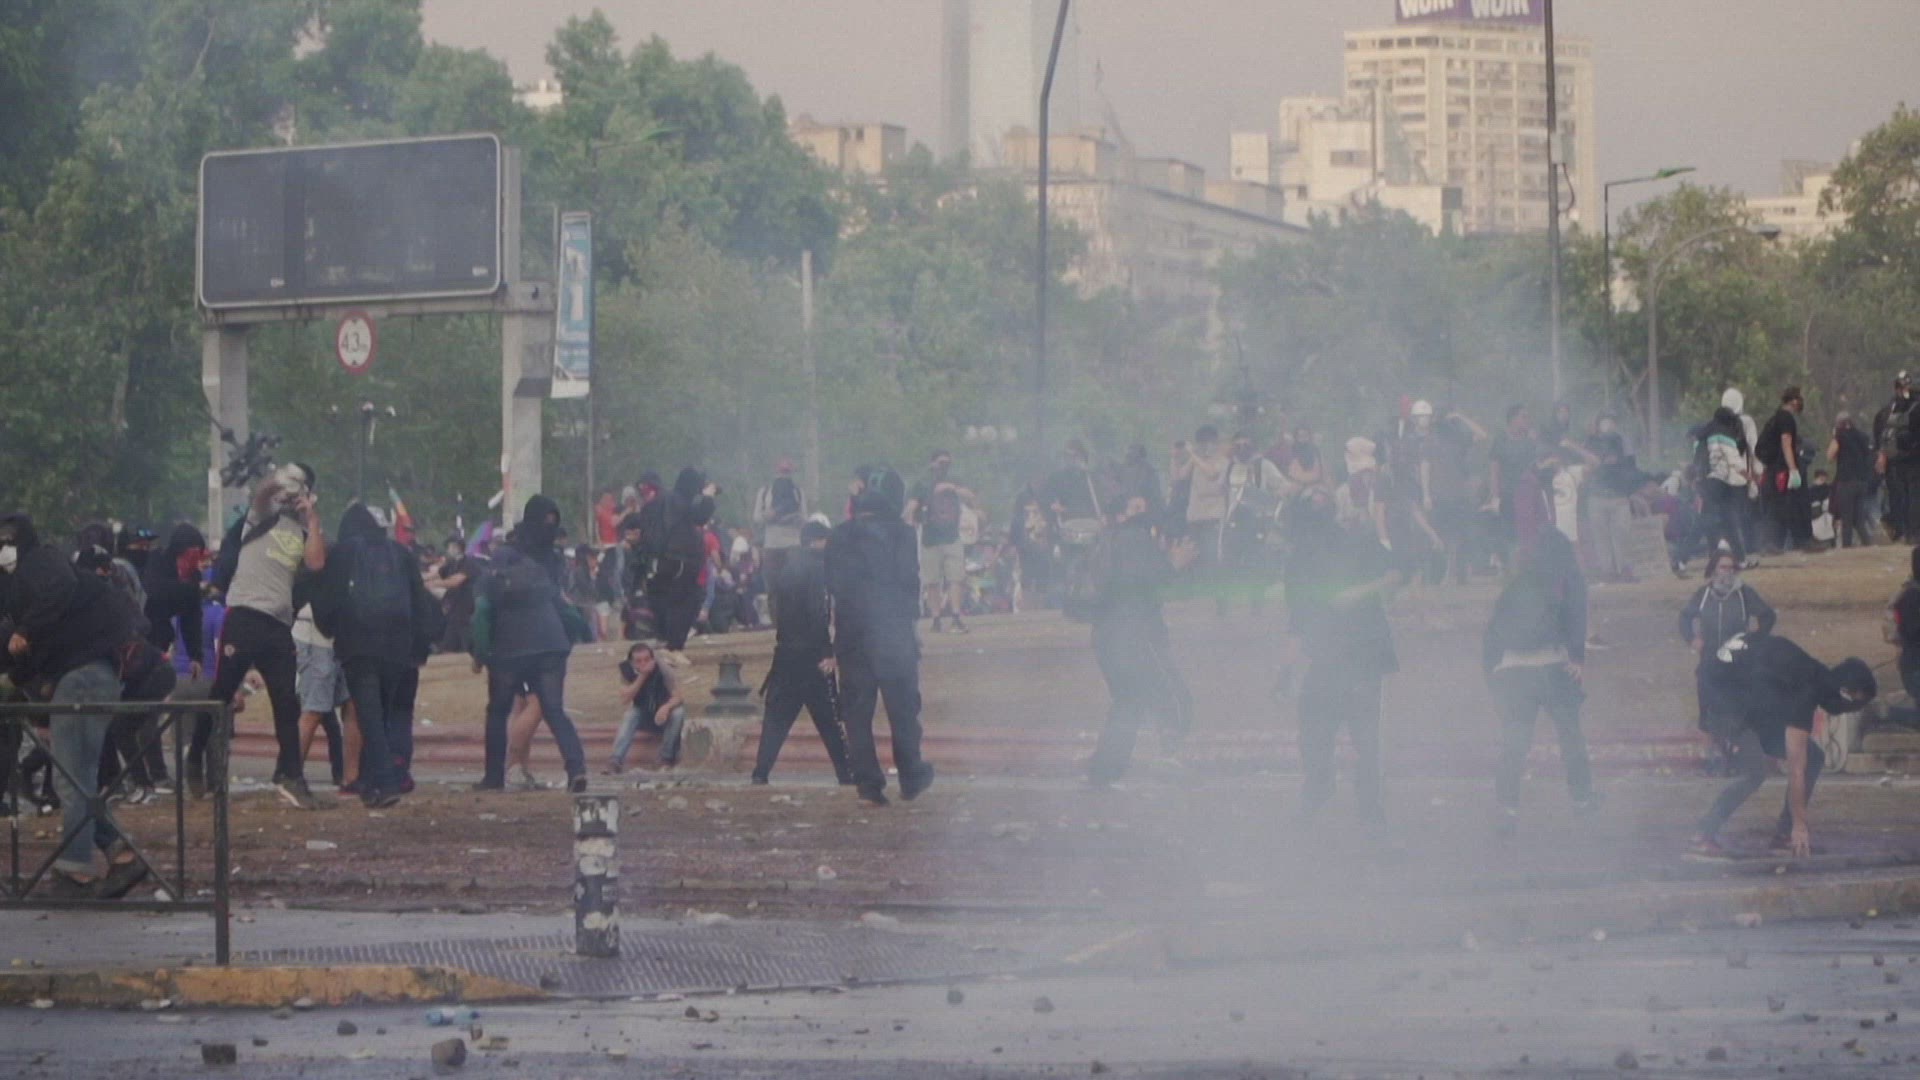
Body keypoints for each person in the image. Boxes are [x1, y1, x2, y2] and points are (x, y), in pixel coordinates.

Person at [0, 513, 149, 898]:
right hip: (86, 676)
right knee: (77, 778)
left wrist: (24, 633)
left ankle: (75, 871)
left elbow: (56, 594)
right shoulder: (19, 585)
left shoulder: (41, 562)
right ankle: (120, 856)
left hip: (83, 676)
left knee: (71, 780)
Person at [207, 464, 330, 810]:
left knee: (286, 701)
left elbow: (317, 564)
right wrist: (282, 479)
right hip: (243, 615)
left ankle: (291, 776)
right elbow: (262, 493)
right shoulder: (262, 516)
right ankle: (203, 759)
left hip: (277, 624)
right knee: (221, 695)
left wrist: (312, 519)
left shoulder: (303, 530)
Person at [1690, 633, 1875, 858]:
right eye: (1855, 705)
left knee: (1813, 757)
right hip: (1726, 700)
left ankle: (1784, 836)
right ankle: (1703, 834)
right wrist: (1800, 825)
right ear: (1845, 693)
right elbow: (1796, 769)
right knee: (1754, 772)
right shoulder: (1807, 689)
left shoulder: (1808, 672)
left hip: (1731, 691)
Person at [1284, 487, 1401, 821]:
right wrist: (1286, 670)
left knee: (1363, 734)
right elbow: (1297, 620)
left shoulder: (1354, 540)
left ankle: (1368, 805)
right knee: (1317, 727)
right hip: (1332, 655)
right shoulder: (1301, 559)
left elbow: (1394, 574)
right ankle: (1324, 788)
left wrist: (1360, 592)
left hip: (1362, 651)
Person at [314, 503, 437, 808]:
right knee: (381, 715)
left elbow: (328, 598)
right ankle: (372, 782)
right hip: (397, 647)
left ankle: (384, 782)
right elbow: (420, 601)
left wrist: (331, 630)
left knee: (369, 716)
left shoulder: (344, 552)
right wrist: (419, 646)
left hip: (359, 643)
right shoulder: (401, 553)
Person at [827, 466, 934, 806]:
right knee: (903, 710)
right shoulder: (902, 534)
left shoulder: (839, 535)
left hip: (852, 633)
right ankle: (911, 776)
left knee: (857, 715)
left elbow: (832, 585)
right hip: (892, 632)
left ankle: (868, 786)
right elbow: (909, 581)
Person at [471, 495, 588, 793]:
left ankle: (493, 777)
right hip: (549, 643)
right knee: (554, 710)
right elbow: (564, 609)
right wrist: (576, 637)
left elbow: (484, 608)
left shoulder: (503, 557)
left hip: (509, 646)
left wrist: (480, 651)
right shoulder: (552, 561)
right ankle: (576, 769)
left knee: (498, 711)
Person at [1485, 527, 1597, 836]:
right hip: (1552, 668)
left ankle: (1507, 810)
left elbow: (1492, 631)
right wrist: (1577, 658)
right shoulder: (1567, 579)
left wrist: (1493, 673)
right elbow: (1576, 616)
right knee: (1570, 736)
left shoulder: (1517, 583)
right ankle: (1582, 799)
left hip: (1512, 672)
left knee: (1515, 742)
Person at [1082, 494, 1196, 787]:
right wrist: (1175, 564)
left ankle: (1103, 771)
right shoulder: (1133, 538)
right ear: (1119, 516)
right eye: (1135, 509)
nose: (1142, 515)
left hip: (1107, 636)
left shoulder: (1104, 543)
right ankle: (1169, 755)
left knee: (1128, 702)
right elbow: (1146, 580)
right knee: (1173, 694)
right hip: (1136, 633)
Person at [751, 521, 854, 784]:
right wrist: (827, 651)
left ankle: (761, 772)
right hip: (811, 654)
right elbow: (817, 612)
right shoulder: (817, 569)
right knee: (829, 719)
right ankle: (846, 773)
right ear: (817, 541)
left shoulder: (788, 569)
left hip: (786, 653)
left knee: (776, 719)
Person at [1681, 550, 1778, 773]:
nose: (1727, 572)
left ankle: (1735, 757)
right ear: (1714, 569)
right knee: (1707, 712)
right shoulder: (1703, 595)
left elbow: (1767, 616)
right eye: (1723, 567)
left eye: (1731, 567)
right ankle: (1711, 758)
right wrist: (1692, 639)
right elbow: (1684, 618)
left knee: (1736, 711)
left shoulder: (1744, 594)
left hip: (1737, 663)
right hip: (1709, 662)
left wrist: (1754, 638)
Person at [642, 468, 716, 662]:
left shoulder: (662, 500)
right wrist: (708, 497)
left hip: (664, 559)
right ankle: (674, 648)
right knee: (686, 602)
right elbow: (700, 516)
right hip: (682, 559)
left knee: (669, 600)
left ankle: (665, 640)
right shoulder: (680, 500)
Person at [1219, 431, 1288, 614]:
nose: (1242, 449)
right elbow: (1221, 488)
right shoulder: (1229, 466)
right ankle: (1223, 603)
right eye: (1238, 445)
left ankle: (1256, 602)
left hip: (1256, 521)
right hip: (1233, 520)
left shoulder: (1263, 465)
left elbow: (1283, 486)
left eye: (1246, 445)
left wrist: (1270, 501)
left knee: (1256, 562)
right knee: (1228, 562)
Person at [906, 450, 974, 634]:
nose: (944, 466)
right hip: (930, 539)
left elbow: (970, 496)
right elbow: (912, 505)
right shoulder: (922, 483)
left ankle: (956, 616)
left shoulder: (954, 480)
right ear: (932, 463)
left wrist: (952, 488)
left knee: (955, 578)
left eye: (947, 463)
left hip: (952, 537)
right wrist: (909, 522)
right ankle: (936, 618)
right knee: (932, 581)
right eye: (940, 462)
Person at [291, 602, 354, 791]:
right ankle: (292, 775)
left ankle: (347, 776)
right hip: (318, 636)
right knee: (315, 712)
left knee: (347, 709)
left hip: (340, 637)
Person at [1584, 413, 1653, 582]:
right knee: (1601, 537)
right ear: (1598, 426)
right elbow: (1586, 468)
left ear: (1615, 425)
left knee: (1623, 535)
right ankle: (1608, 572)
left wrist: (1632, 490)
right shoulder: (1592, 443)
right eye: (1604, 423)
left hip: (1619, 497)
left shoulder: (1623, 443)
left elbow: (1632, 467)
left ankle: (1625, 570)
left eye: (1610, 422)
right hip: (1597, 497)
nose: (1608, 426)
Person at [605, 643, 689, 773]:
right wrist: (642, 676)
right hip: (643, 712)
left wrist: (666, 707)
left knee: (678, 713)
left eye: (647, 660)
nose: (643, 663)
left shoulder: (663, 669)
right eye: (638, 661)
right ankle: (616, 760)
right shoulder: (627, 671)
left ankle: (666, 758)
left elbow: (678, 696)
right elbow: (625, 699)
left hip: (663, 715)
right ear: (632, 662)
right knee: (630, 715)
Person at [1695, 398, 1754, 570]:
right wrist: (1749, 478)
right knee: (1718, 522)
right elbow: (1734, 460)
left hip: (1708, 483)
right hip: (1719, 484)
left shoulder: (1705, 433)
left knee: (1721, 522)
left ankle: (1736, 559)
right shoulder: (1722, 433)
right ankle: (1681, 558)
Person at [753, 458, 809, 622]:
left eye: (787, 472)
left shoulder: (798, 492)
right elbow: (756, 517)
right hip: (772, 544)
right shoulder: (765, 492)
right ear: (775, 472)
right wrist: (768, 515)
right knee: (773, 585)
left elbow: (805, 517)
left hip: (793, 543)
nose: (784, 475)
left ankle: (795, 619)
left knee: (795, 583)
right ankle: (777, 622)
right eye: (781, 472)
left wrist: (797, 519)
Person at [1755, 386, 1809, 554]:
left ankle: (1773, 544)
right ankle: (1792, 541)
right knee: (1785, 505)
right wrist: (1793, 469)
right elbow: (1786, 443)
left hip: (1772, 468)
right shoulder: (1786, 418)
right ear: (1793, 400)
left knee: (1776, 506)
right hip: (1781, 469)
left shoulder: (1774, 418)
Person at [1873, 372, 1917, 541]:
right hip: (1900, 460)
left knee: (1905, 496)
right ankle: (1905, 530)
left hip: (1904, 459)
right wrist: (1882, 455)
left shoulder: (1909, 407)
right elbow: (1881, 436)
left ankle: (1905, 530)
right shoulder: (1890, 411)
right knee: (1902, 496)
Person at [1828, 412, 1876, 548]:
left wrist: (1834, 437)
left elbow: (1830, 455)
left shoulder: (1840, 436)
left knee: (1847, 518)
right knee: (1859, 519)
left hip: (1846, 481)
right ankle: (1868, 544)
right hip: (1862, 481)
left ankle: (1847, 547)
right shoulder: (1862, 436)